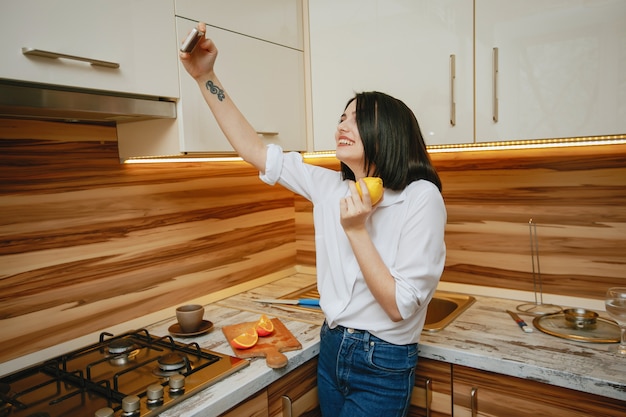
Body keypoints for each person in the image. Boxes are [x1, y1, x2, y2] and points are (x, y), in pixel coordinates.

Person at [180, 22, 446, 417]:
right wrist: (205, 77)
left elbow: (398, 307)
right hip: (332, 347)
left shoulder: (420, 197)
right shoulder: (329, 187)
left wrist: (355, 230)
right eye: (341, 117)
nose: (341, 125)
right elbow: (255, 150)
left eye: (355, 118)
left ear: (387, 129)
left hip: (382, 361)